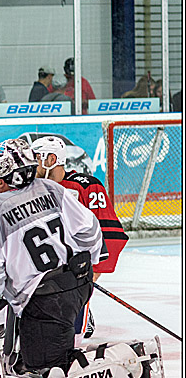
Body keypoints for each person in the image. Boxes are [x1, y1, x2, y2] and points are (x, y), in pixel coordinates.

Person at [0, 138, 163, 378]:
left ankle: (134, 358)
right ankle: (120, 354)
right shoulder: (51, 188)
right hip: (78, 283)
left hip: (45, 300)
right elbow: (89, 229)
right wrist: (87, 264)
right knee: (31, 352)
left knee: (44, 369)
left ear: (3, 180)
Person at [30, 135, 128, 339]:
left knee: (69, 337)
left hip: (76, 268)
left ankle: (82, 313)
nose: (32, 164)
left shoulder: (86, 186)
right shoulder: (30, 189)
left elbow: (110, 232)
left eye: (37, 157)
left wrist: (91, 275)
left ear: (51, 160)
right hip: (44, 264)